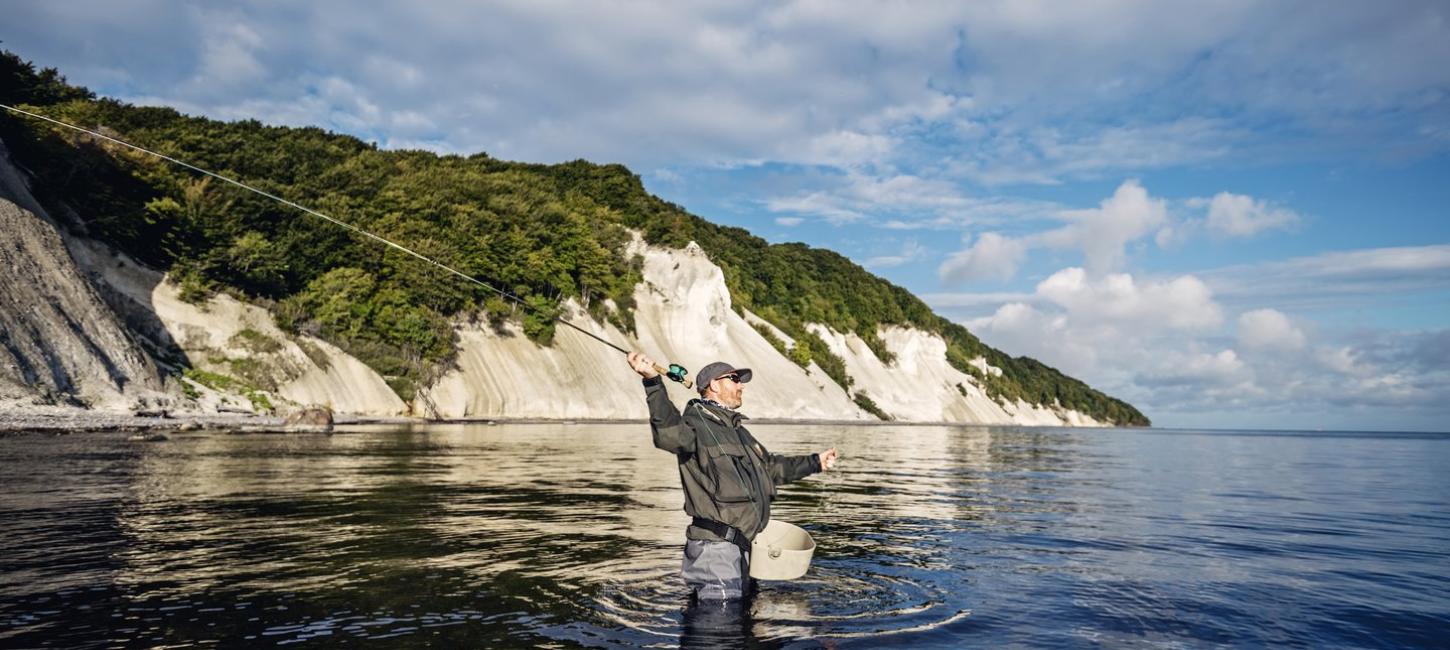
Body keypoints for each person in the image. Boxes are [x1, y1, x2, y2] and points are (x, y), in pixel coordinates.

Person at [627, 352, 839, 601]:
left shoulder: (740, 432)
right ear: (714, 385)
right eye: (735, 379)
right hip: (714, 552)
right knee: (718, 630)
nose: (741, 386)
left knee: (741, 624)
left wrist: (815, 463)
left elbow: (771, 468)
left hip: (745, 549)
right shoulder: (694, 425)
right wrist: (653, 382)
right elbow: (668, 434)